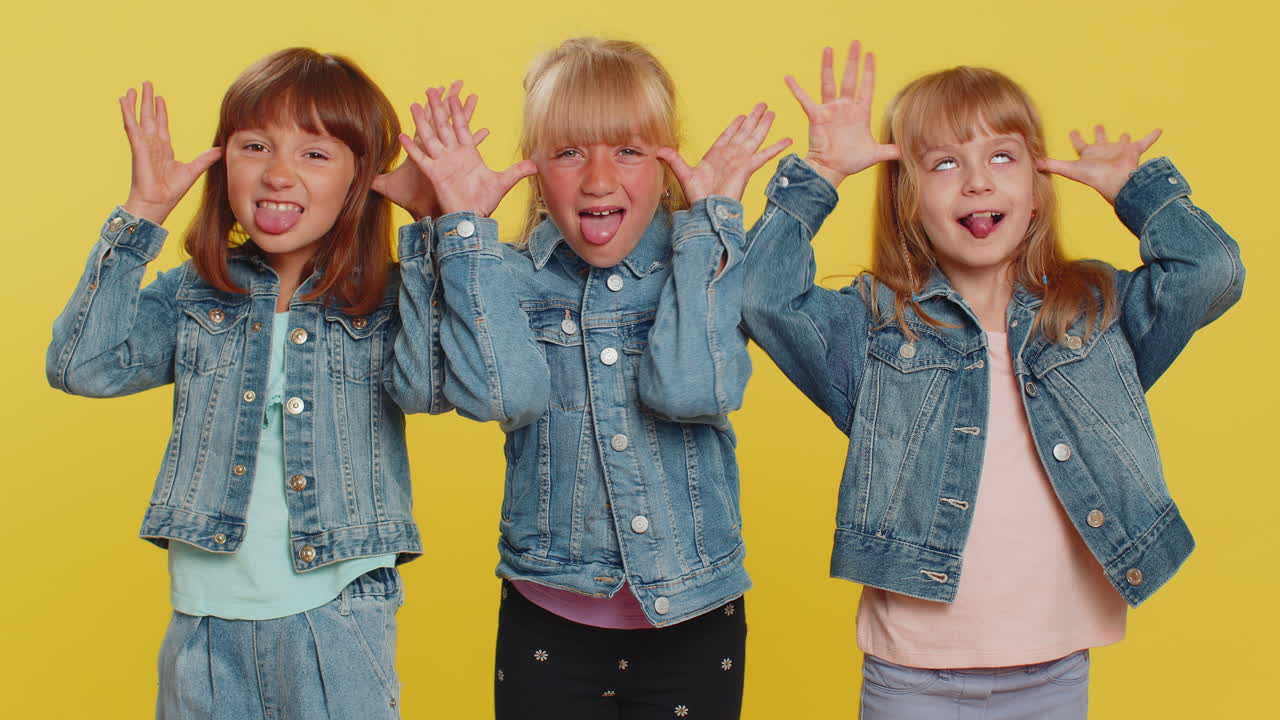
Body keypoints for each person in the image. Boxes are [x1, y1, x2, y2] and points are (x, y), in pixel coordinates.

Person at [740, 43, 1244, 718]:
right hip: (913, 677)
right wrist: (821, 176)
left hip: (1054, 671)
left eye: (1001, 157)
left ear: (1035, 193)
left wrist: (1137, 191)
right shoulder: (876, 331)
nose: (977, 181)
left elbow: (1209, 271)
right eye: (944, 162)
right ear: (908, 200)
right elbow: (760, 297)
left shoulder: (1095, 315)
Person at [389, 37, 791, 720]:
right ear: (535, 171)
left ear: (666, 168)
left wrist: (709, 224)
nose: (599, 178)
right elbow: (493, 395)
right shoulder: (504, 274)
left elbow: (693, 388)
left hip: (695, 616)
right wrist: (456, 231)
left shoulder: (702, 261)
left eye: (628, 151)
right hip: (550, 622)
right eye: (570, 152)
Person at [46, 48, 431, 718]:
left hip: (336, 618)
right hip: (204, 622)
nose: (279, 172)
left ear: (363, 180)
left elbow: (434, 385)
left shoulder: (386, 302)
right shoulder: (195, 296)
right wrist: (140, 217)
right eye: (255, 146)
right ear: (224, 164)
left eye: (316, 153)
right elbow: (81, 364)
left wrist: (430, 233)